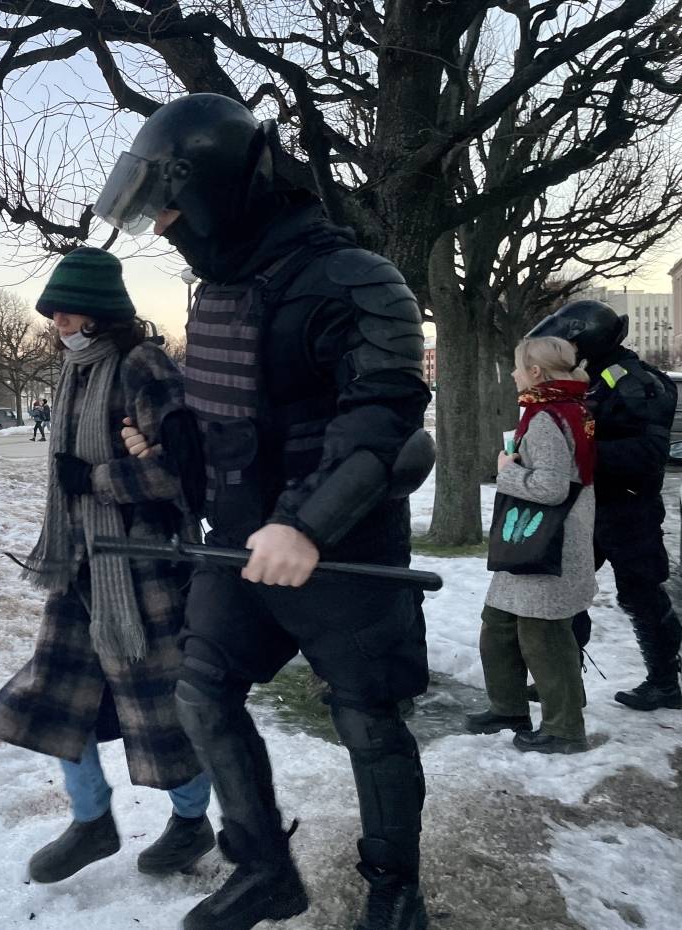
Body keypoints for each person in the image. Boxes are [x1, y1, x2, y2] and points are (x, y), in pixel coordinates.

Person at [99, 94, 434, 930]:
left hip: (342, 552)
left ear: (215, 186)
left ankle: (396, 890)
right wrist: (170, 443)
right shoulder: (219, 292)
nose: (168, 227)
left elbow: (380, 421)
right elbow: (238, 426)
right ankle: (265, 870)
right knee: (203, 693)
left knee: (367, 719)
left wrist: (307, 524)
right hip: (239, 550)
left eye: (172, 207)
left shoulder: (360, 282)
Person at [0, 247, 214, 888]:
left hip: (143, 572)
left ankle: (192, 820)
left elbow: (184, 471)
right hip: (80, 567)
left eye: (69, 310)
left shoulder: (144, 365)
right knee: (59, 702)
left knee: (159, 712)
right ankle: (91, 820)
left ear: (102, 313)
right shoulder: (76, 371)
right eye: (53, 311)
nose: (58, 321)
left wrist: (100, 478)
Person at [528, 299, 681, 712]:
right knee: (567, 591)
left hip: (628, 509)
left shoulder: (635, 382)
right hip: (585, 504)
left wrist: (580, 451)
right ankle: (560, 679)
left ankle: (665, 682)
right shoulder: (587, 377)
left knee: (641, 593)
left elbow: (649, 454)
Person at [465, 337, 595, 754]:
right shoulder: (573, 409)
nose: (515, 375)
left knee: (545, 637)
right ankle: (508, 709)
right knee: (499, 626)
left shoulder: (545, 418)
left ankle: (564, 730)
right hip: (534, 541)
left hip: (544, 545)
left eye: (519, 367)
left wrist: (505, 471)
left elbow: (552, 487)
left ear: (536, 373)